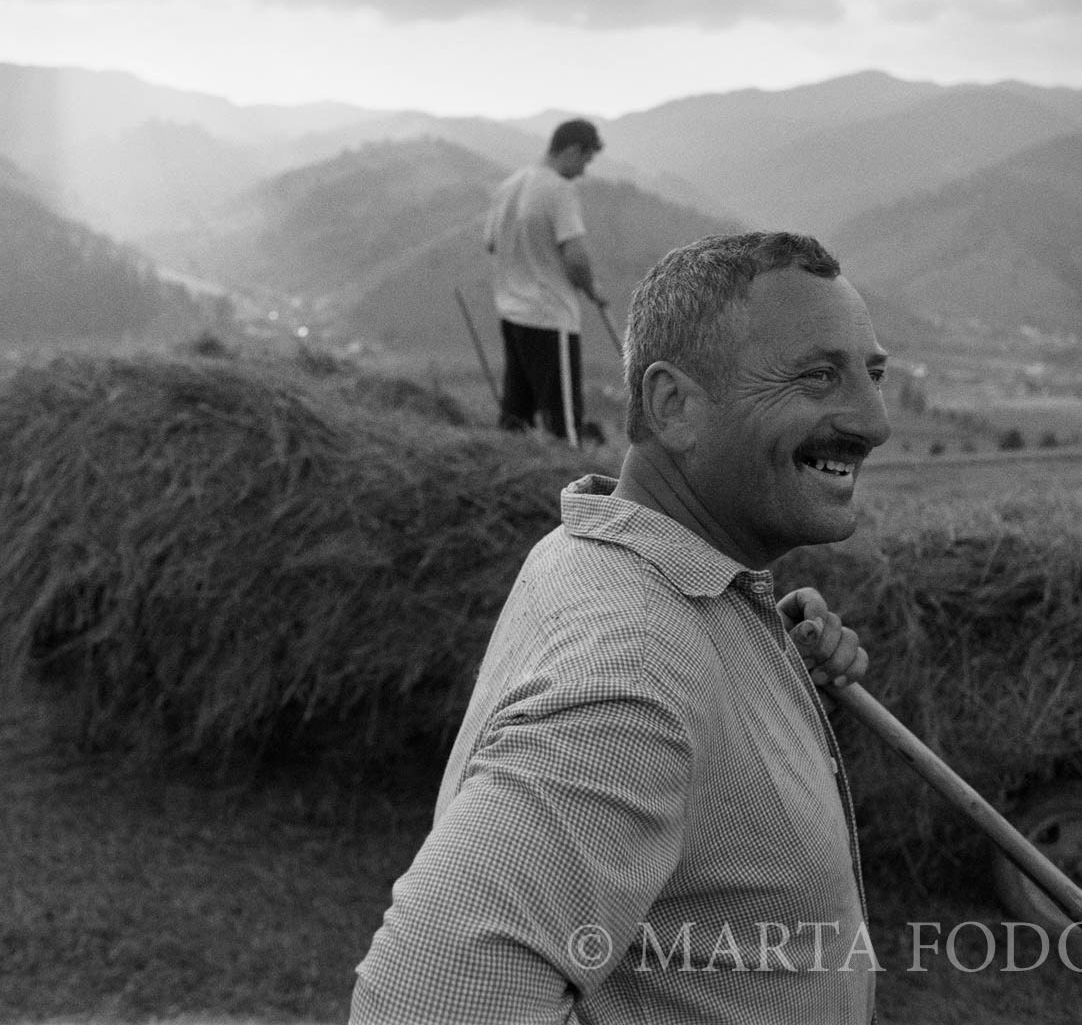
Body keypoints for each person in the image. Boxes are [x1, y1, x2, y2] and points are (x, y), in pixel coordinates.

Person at [352, 231, 891, 1024]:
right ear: (675, 406)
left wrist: (757, 660)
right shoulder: (638, 675)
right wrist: (676, 680)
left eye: (872, 374)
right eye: (818, 376)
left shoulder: (605, 554)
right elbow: (425, 1004)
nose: (874, 422)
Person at [484, 118, 608, 446]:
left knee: (515, 414)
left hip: (512, 312)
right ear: (570, 150)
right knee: (563, 423)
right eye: (585, 159)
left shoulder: (509, 186)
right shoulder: (559, 190)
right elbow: (576, 257)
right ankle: (564, 487)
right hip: (551, 317)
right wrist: (593, 289)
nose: (583, 171)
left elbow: (491, 244)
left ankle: (512, 479)